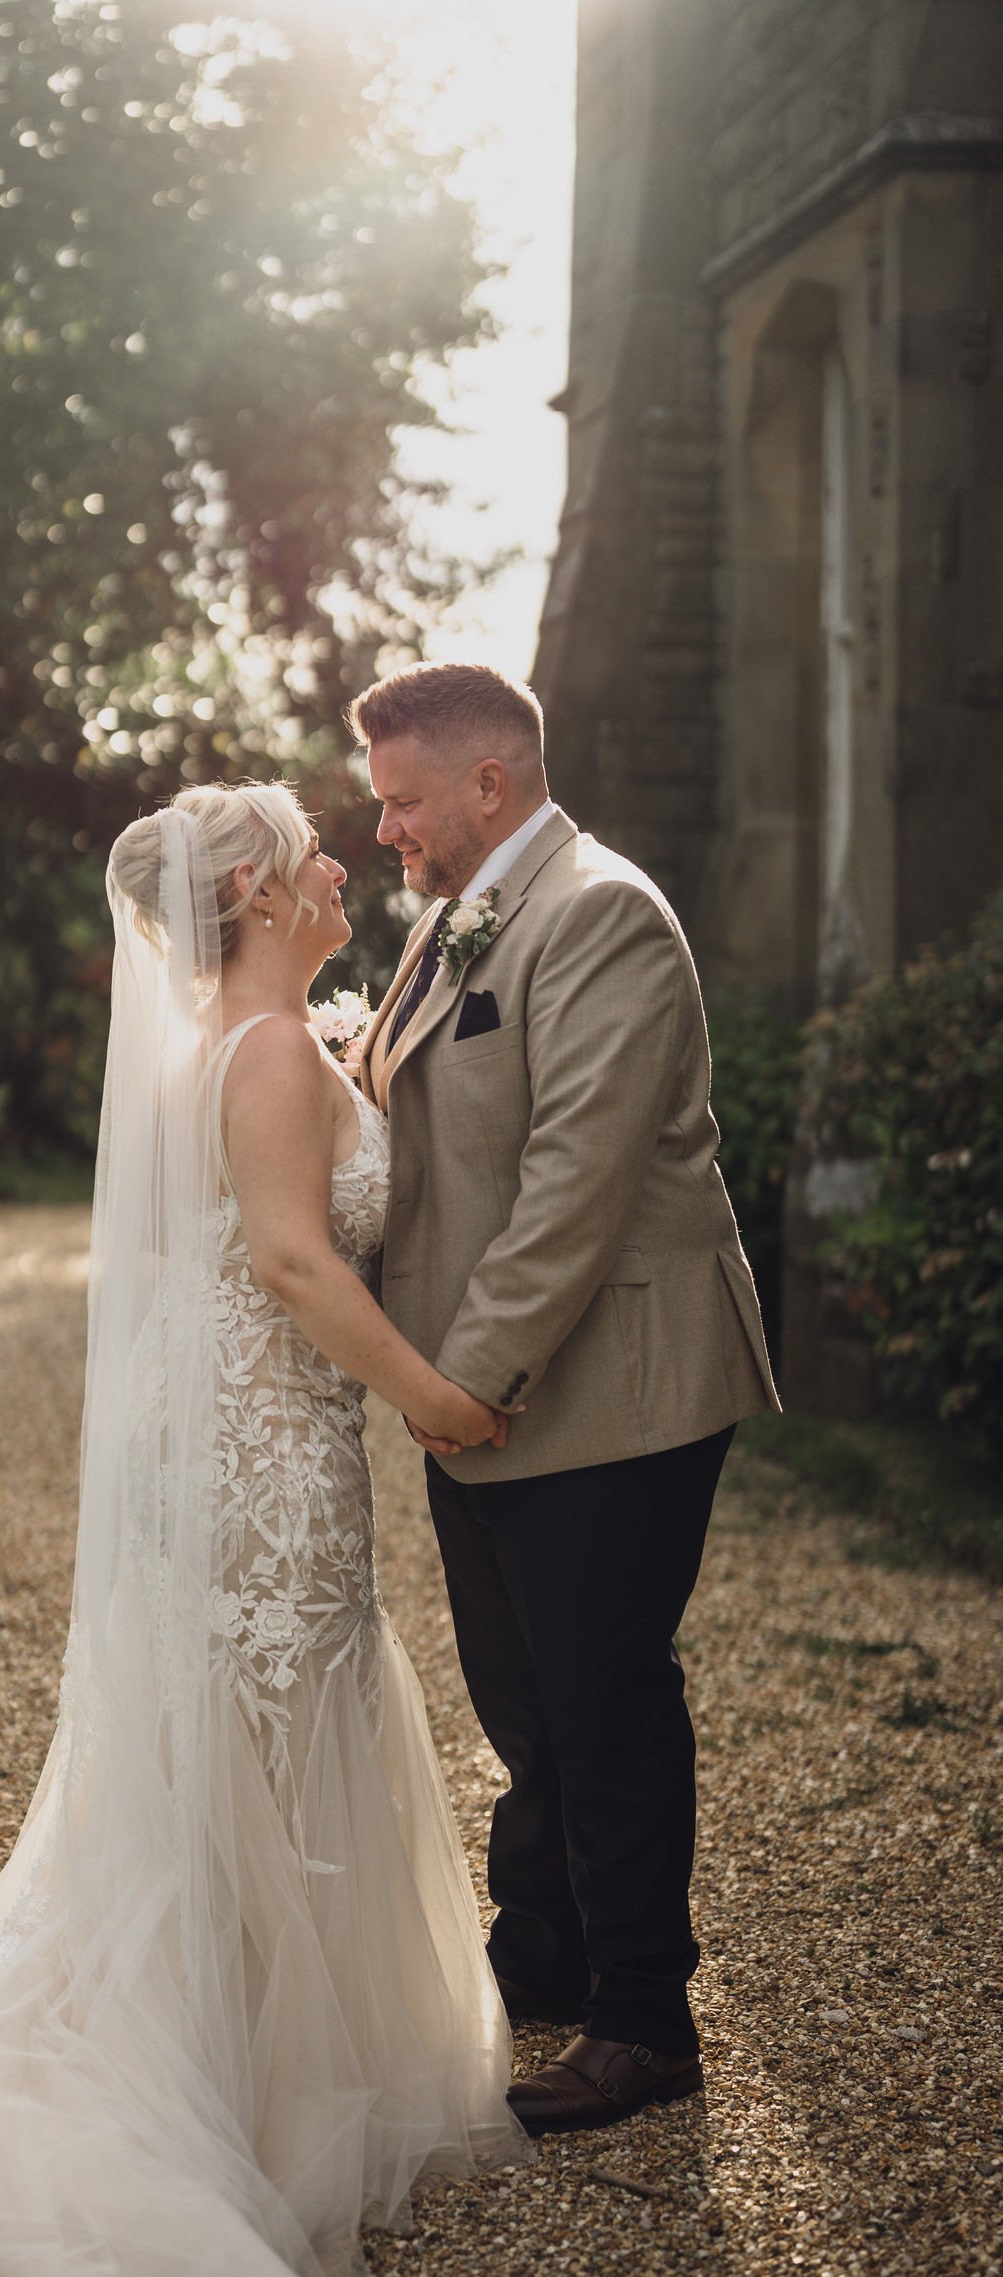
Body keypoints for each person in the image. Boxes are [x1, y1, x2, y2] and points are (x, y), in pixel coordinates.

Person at [0, 782, 526, 2277]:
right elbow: (296, 1261)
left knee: (229, 1745)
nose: (341, 864)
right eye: (317, 850)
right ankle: (212, 2100)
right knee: (257, 1733)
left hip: (239, 1439)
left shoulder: (251, 1048)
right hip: (264, 1454)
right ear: (255, 889)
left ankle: (243, 2060)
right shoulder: (261, 1056)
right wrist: (438, 1399)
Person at [353, 661, 780, 2135]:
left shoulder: (602, 913)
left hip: (616, 1382)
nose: (388, 832)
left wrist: (465, 1379)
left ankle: (646, 2020)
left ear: (492, 782)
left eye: (405, 801)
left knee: (602, 1699)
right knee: (524, 1697)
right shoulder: (444, 920)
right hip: (483, 1392)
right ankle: (541, 1951)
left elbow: (573, 1188)